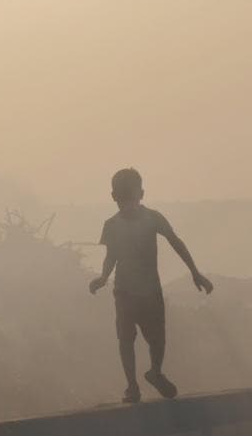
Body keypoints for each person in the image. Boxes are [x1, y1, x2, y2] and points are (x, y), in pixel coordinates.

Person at [88, 168, 213, 403]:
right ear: (114, 197)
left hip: (150, 292)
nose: (127, 203)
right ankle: (132, 386)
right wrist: (103, 278)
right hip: (125, 292)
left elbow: (176, 242)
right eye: (123, 198)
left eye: (130, 197)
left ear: (141, 194)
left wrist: (195, 272)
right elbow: (111, 256)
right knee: (126, 339)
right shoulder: (111, 225)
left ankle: (155, 372)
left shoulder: (153, 218)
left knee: (157, 338)